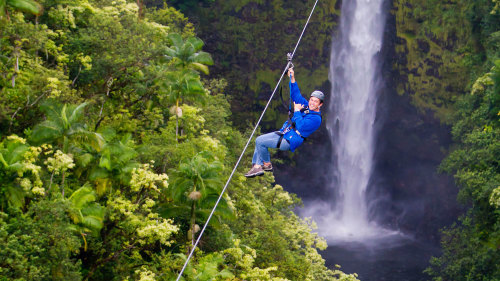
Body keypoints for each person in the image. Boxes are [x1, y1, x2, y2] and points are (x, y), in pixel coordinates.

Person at [244, 68, 324, 177]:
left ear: (320, 104)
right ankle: (259, 165)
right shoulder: (307, 106)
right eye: (311, 100)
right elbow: (296, 95)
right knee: (260, 142)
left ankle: (263, 165)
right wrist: (292, 77)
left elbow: (301, 126)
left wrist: (296, 111)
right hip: (284, 132)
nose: (312, 103)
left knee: (259, 141)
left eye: (315, 101)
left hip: (290, 140)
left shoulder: (316, 119)